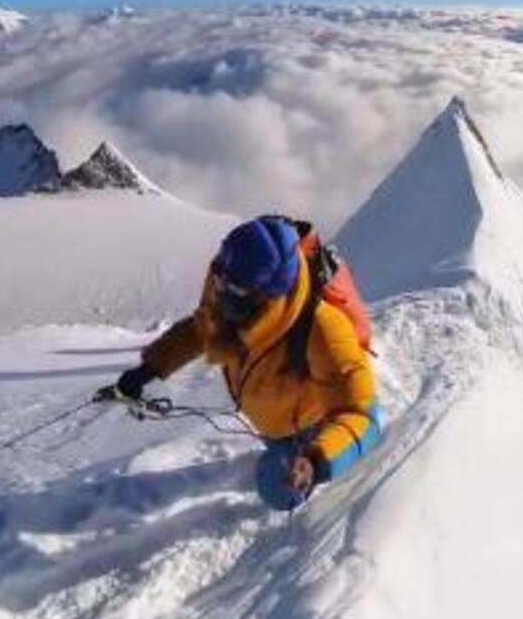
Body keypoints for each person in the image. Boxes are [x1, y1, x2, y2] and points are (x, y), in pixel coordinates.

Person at [96, 215, 382, 510]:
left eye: (238, 291)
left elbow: (359, 416)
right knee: (276, 460)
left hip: (313, 425)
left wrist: (315, 460)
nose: (222, 295)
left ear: (272, 293)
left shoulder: (322, 328)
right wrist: (148, 370)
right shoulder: (230, 284)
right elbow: (201, 330)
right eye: (221, 283)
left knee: (275, 486)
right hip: (275, 421)